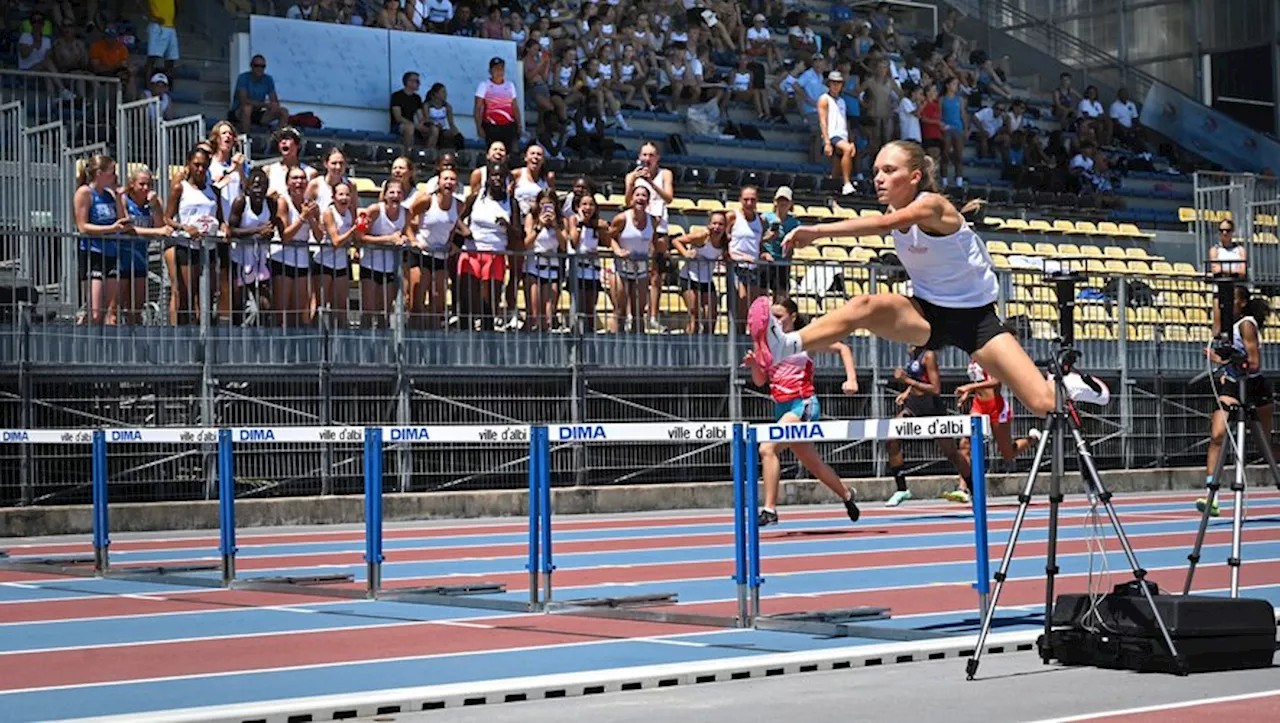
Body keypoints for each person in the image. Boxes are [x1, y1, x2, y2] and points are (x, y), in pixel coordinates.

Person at [755, 140, 1107, 424]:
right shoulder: (896, 213)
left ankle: (1080, 385)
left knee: (1042, 403)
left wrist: (815, 231)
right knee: (863, 304)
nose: (878, 177)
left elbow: (879, 227)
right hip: (926, 314)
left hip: (976, 321)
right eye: (876, 170)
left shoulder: (932, 206)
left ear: (915, 177)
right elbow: (886, 224)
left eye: (889, 170)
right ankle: (787, 345)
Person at [744, 299, 861, 527]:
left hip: (803, 405)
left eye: (780, 316)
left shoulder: (803, 339)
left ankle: (770, 509)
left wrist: (852, 379)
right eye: (772, 317)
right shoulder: (767, 344)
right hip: (782, 408)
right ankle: (847, 495)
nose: (775, 321)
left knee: (767, 448)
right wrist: (754, 364)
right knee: (813, 464)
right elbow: (760, 381)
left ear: (793, 317)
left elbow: (842, 348)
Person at [1200, 287, 1275, 517]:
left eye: (1229, 299)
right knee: (1217, 435)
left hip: (1254, 385)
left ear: (1242, 302)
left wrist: (1222, 361)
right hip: (1233, 383)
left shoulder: (1246, 325)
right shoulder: (1227, 325)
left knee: (1266, 447)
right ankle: (1212, 494)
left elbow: (1253, 363)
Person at [885, 345, 972, 507]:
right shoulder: (912, 353)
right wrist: (907, 391)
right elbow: (919, 378)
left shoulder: (929, 355)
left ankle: (971, 486)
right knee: (891, 438)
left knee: (951, 453)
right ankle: (901, 488)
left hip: (932, 407)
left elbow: (935, 388)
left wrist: (907, 381)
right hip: (914, 406)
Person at [954, 358, 1041, 502]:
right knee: (965, 444)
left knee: (1007, 454)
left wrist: (969, 387)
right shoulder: (972, 357)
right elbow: (978, 382)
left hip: (996, 407)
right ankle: (963, 487)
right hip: (979, 405)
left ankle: (1032, 439)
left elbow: (997, 381)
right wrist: (967, 394)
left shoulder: (989, 356)